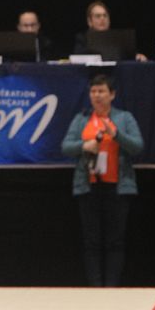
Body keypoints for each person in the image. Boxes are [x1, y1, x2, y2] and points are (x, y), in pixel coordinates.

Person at [61, 73, 144, 287]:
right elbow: (66, 146)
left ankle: (111, 288)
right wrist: (84, 146)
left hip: (117, 187)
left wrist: (116, 134)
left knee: (115, 241)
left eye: (101, 91)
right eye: (93, 91)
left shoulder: (124, 118)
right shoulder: (82, 119)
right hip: (89, 187)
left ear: (112, 95)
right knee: (92, 241)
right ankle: (96, 289)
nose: (96, 95)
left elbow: (137, 146)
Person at [71, 1, 147, 60]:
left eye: (105, 15)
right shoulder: (82, 38)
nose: (102, 19)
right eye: (98, 16)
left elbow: (130, 55)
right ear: (89, 21)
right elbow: (78, 59)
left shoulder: (119, 39)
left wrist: (137, 56)